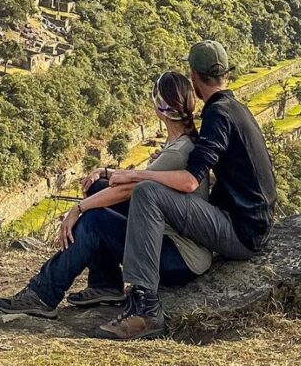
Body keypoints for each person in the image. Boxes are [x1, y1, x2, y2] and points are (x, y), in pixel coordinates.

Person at [95, 39, 277, 341]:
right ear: (225, 75)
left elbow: (191, 181)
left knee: (147, 192)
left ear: (194, 77)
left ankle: (146, 309)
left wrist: (134, 174)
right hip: (249, 222)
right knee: (150, 189)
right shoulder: (234, 107)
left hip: (241, 231)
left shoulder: (218, 115)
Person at [0, 72, 212, 321]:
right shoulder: (180, 142)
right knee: (97, 187)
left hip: (179, 257)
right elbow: (134, 183)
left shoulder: (178, 152)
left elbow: (128, 190)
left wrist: (78, 209)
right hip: (167, 237)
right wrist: (106, 173)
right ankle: (105, 284)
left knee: (94, 220)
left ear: (159, 106)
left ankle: (43, 294)